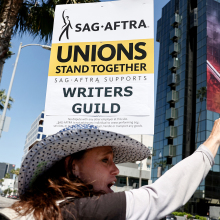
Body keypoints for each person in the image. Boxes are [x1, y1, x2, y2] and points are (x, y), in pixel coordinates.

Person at [0, 119, 220, 220]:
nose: (116, 170)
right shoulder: (83, 211)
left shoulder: (36, 209)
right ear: (72, 166)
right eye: (105, 160)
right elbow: (159, 197)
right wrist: (213, 141)